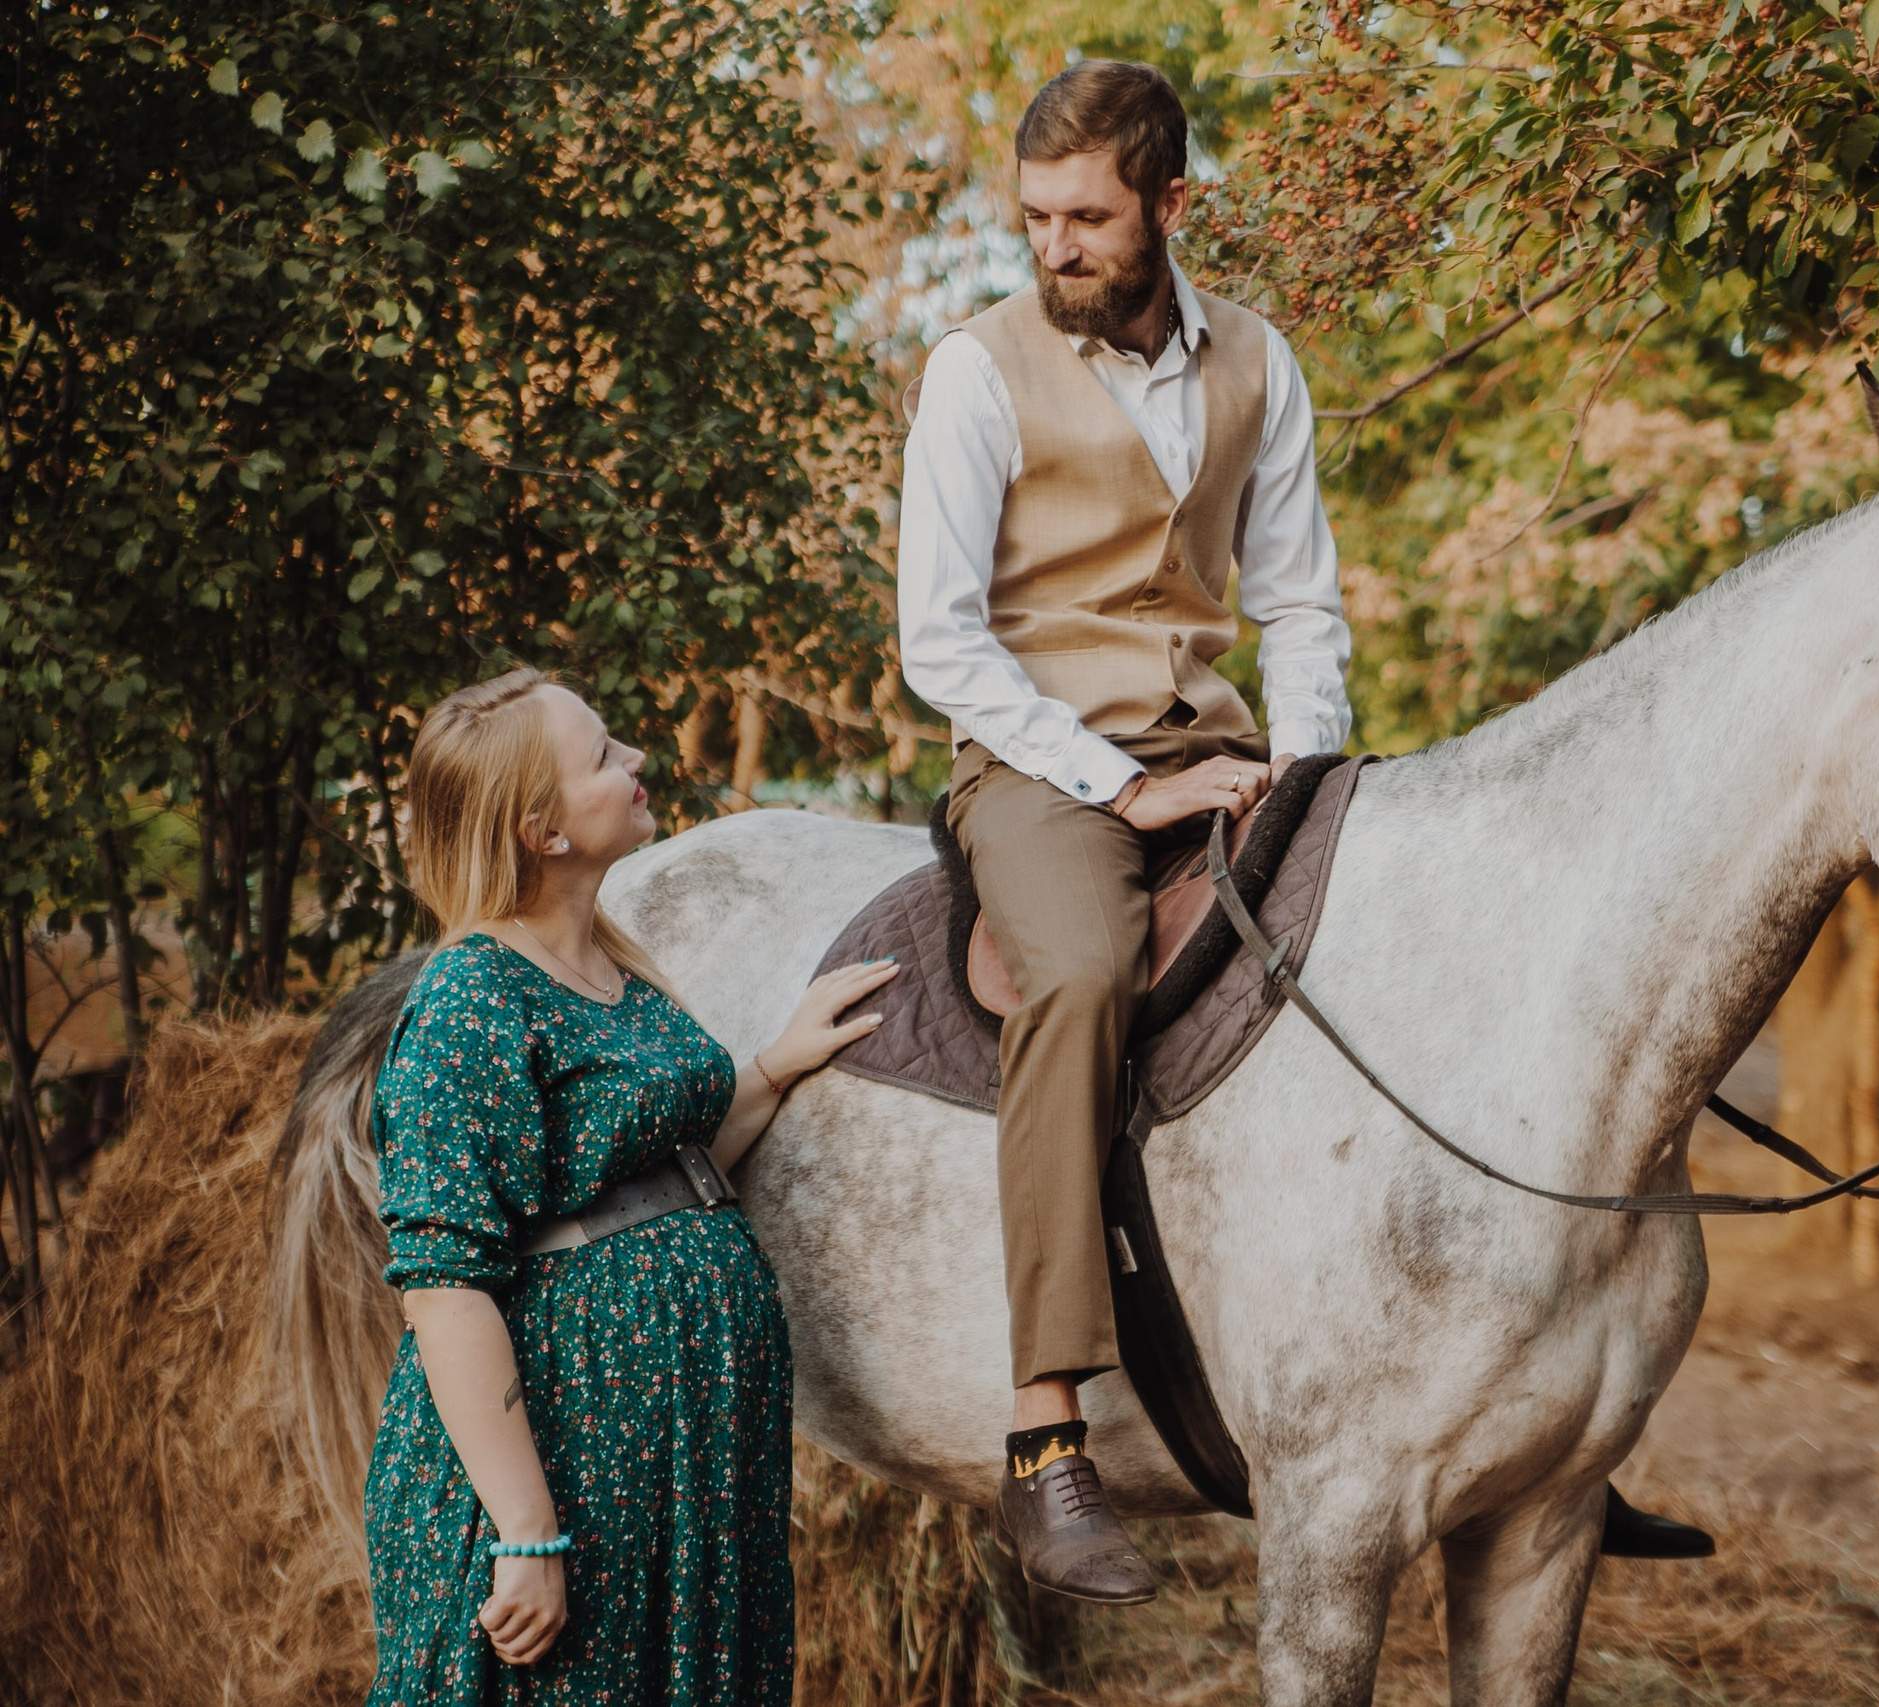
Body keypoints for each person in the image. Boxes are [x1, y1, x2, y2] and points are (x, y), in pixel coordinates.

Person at [895, 59, 1354, 1603]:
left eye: (1086, 218)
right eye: (1035, 219)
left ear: (1169, 206)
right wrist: (1116, 785)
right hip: (1033, 759)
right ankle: (1046, 1440)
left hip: (1217, 742)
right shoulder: (976, 369)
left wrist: (1313, 779)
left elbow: (1296, 599)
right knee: (1083, 971)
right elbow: (939, 644)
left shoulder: (1260, 363)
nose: (1054, 248)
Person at [335, 668, 898, 1700]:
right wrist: (527, 1533)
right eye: (603, 756)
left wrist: (773, 1065)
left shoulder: (613, 965)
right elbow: (443, 1283)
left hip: (676, 1457)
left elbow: (634, 1192)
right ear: (541, 829)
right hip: (565, 1452)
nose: (637, 760)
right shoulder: (472, 994)